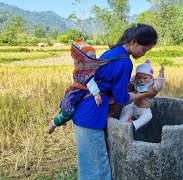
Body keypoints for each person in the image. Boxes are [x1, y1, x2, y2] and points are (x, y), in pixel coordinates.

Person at [72, 23, 158, 180]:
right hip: (92, 113)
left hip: (84, 108)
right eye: (144, 50)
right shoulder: (125, 62)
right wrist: (147, 93)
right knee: (98, 169)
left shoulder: (112, 52)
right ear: (133, 41)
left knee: (88, 164)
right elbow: (121, 98)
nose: (143, 53)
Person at [47, 39, 103, 134]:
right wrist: (96, 94)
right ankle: (54, 124)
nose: (93, 58)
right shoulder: (85, 71)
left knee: (67, 108)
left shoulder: (84, 68)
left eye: (94, 56)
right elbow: (90, 82)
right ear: (83, 59)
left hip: (75, 91)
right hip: (76, 93)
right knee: (68, 112)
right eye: (90, 56)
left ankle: (61, 119)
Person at [119, 59, 165, 130]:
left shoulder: (152, 85)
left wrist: (161, 73)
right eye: (139, 78)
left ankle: (134, 124)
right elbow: (130, 82)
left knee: (148, 115)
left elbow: (160, 85)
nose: (142, 80)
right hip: (133, 106)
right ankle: (121, 123)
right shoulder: (136, 83)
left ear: (151, 77)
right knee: (125, 109)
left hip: (144, 110)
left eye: (145, 78)